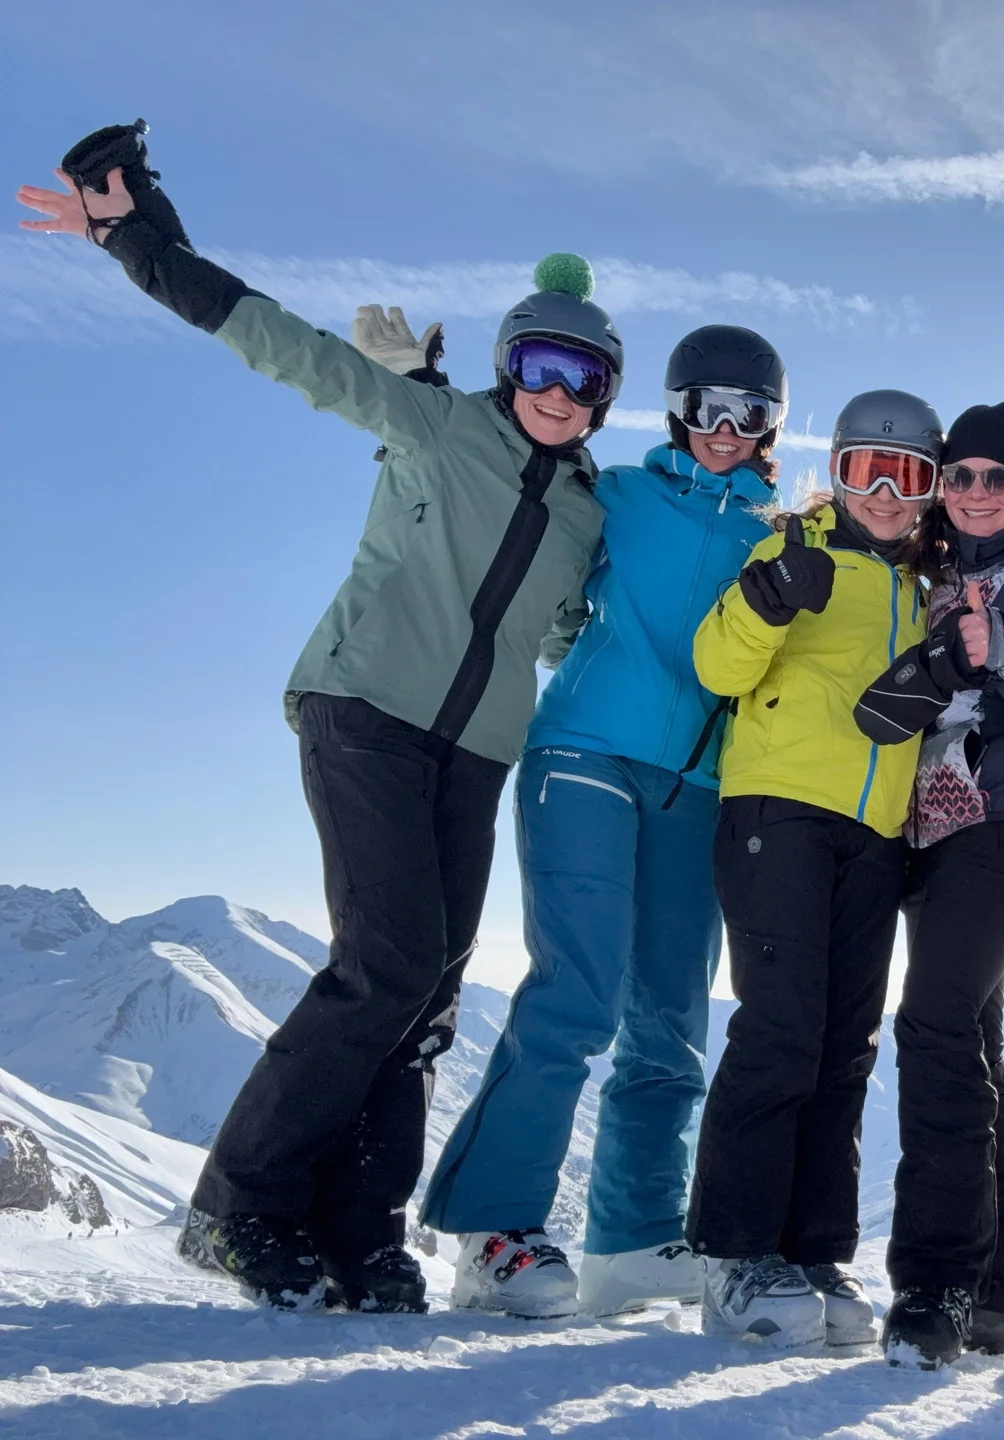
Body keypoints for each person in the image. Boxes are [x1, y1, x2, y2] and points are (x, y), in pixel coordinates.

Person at [17, 122, 618, 1312]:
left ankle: (361, 1235)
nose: (558, 394)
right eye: (541, 367)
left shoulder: (588, 517)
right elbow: (278, 342)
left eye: (584, 378)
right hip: (365, 710)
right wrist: (139, 238)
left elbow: (562, 637)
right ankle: (237, 1210)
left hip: (475, 754)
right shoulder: (434, 424)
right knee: (383, 963)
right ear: (510, 368)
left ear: (604, 397)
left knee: (428, 998)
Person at [419, 327, 788, 1319]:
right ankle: (494, 1229)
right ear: (675, 409)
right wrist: (422, 395)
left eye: (749, 413)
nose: (724, 428)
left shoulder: (779, 538)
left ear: (771, 428)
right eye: (706, 406)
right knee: (577, 991)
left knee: (670, 1019)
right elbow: (518, 505)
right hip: (583, 751)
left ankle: (633, 1239)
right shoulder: (615, 493)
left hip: (697, 784)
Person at [684, 390, 942, 1348]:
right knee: (780, 1027)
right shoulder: (792, 550)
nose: (885, 492)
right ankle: (735, 1252)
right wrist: (767, 599)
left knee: (844, 1044)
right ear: (837, 470)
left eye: (908, 475)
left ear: (928, 491)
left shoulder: (924, 590)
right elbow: (717, 667)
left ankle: (815, 1251)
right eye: (868, 469)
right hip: (779, 809)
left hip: (876, 832)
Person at [854, 403, 1004, 1368]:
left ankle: (935, 1283)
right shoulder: (942, 572)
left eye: (998, 477)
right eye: (960, 475)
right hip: (936, 830)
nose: (976, 491)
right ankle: (1002, 1289)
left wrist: (1001, 644)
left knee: (933, 1020)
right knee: (975, 1045)